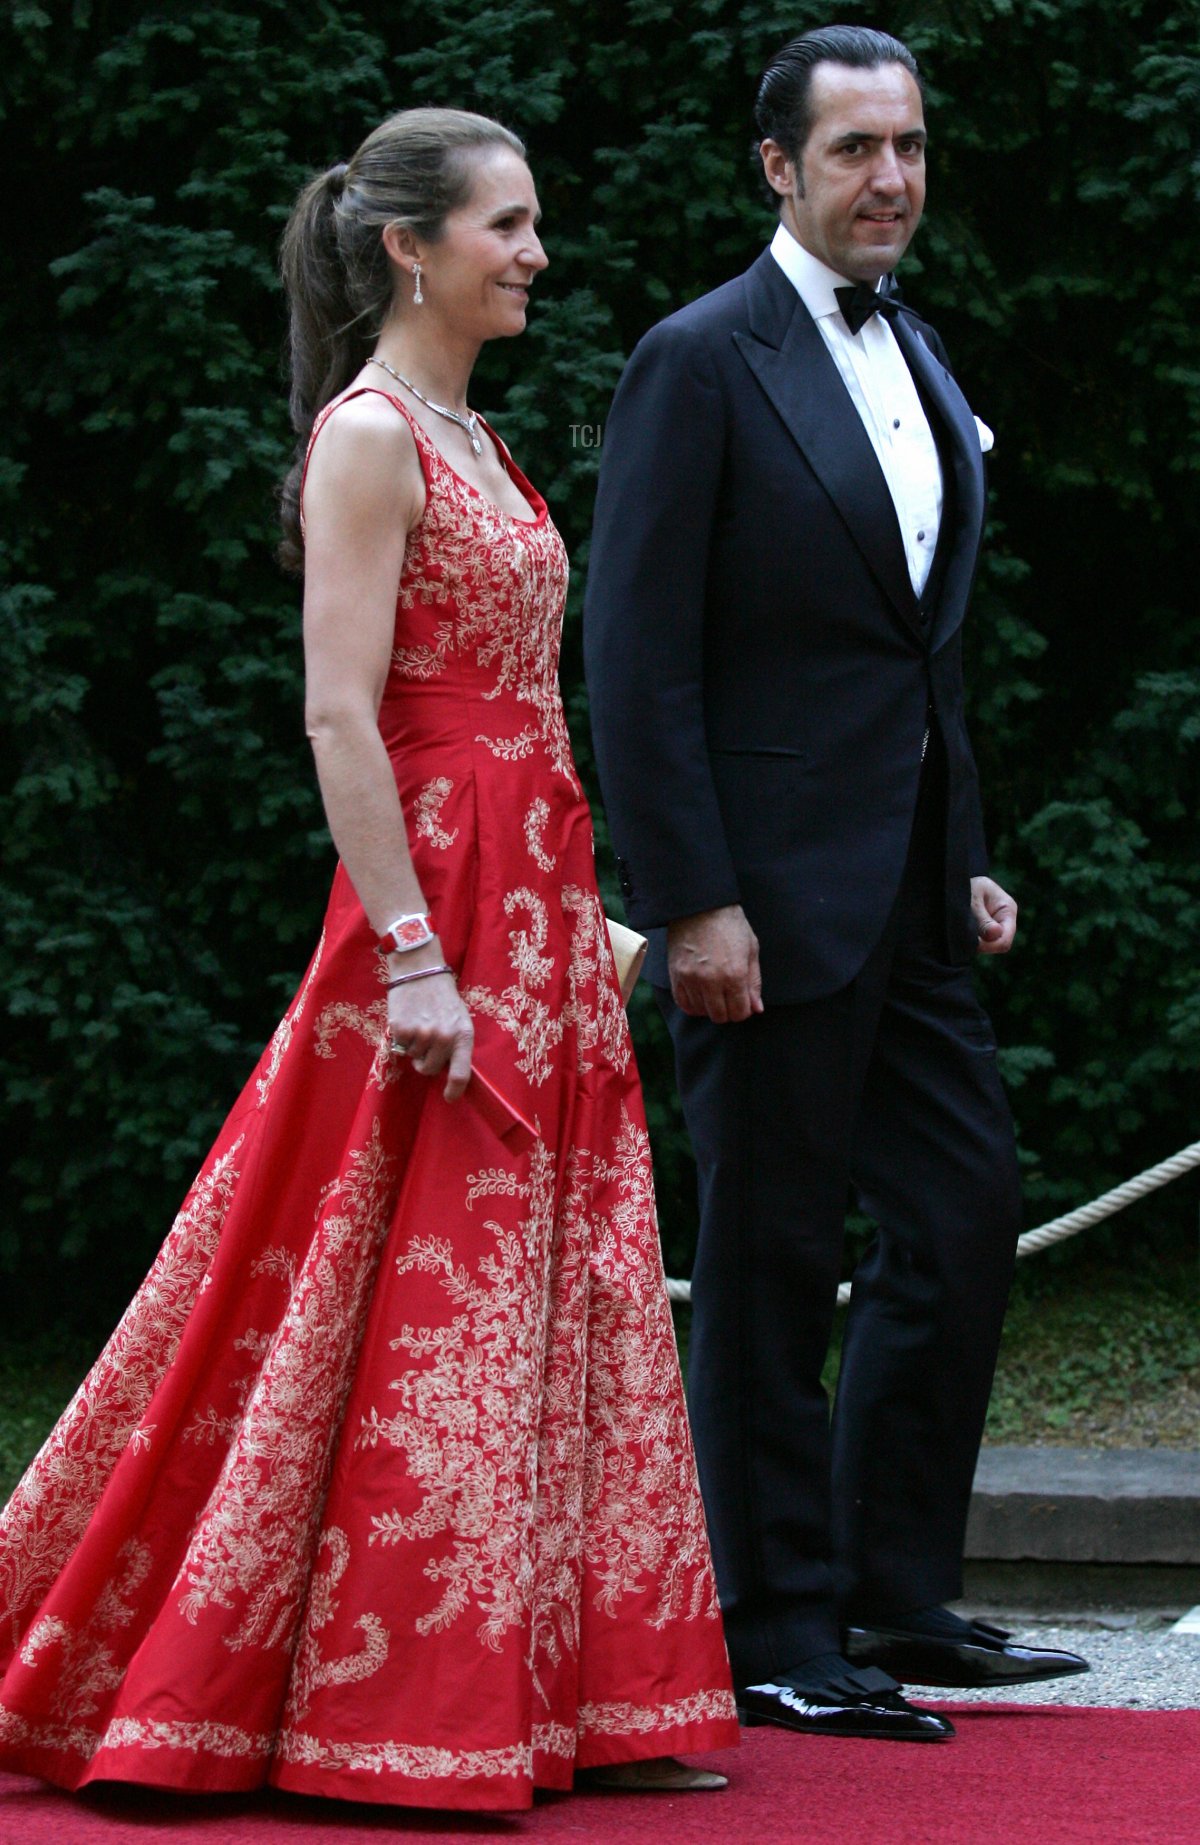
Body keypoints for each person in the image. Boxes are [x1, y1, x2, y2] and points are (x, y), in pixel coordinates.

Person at [0, 107, 739, 1810]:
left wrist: (582, 905)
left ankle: (579, 1697)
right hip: (434, 901)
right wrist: (412, 950)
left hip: (533, 889)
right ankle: (349, 1703)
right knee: (390, 1274)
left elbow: (524, 698)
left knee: (559, 1275)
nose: (539, 254)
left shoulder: (478, 438)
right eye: (511, 226)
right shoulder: (370, 435)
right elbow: (342, 710)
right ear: (414, 246)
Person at [584, 27, 1088, 1743]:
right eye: (858, 148)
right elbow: (639, 659)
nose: (894, 178)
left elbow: (914, 650)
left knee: (960, 1218)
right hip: (761, 908)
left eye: (913, 147)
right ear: (778, 169)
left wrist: (963, 854)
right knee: (775, 1260)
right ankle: (776, 1624)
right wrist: (692, 897)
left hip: (914, 896)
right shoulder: (696, 360)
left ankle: (896, 1591)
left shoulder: (922, 349)